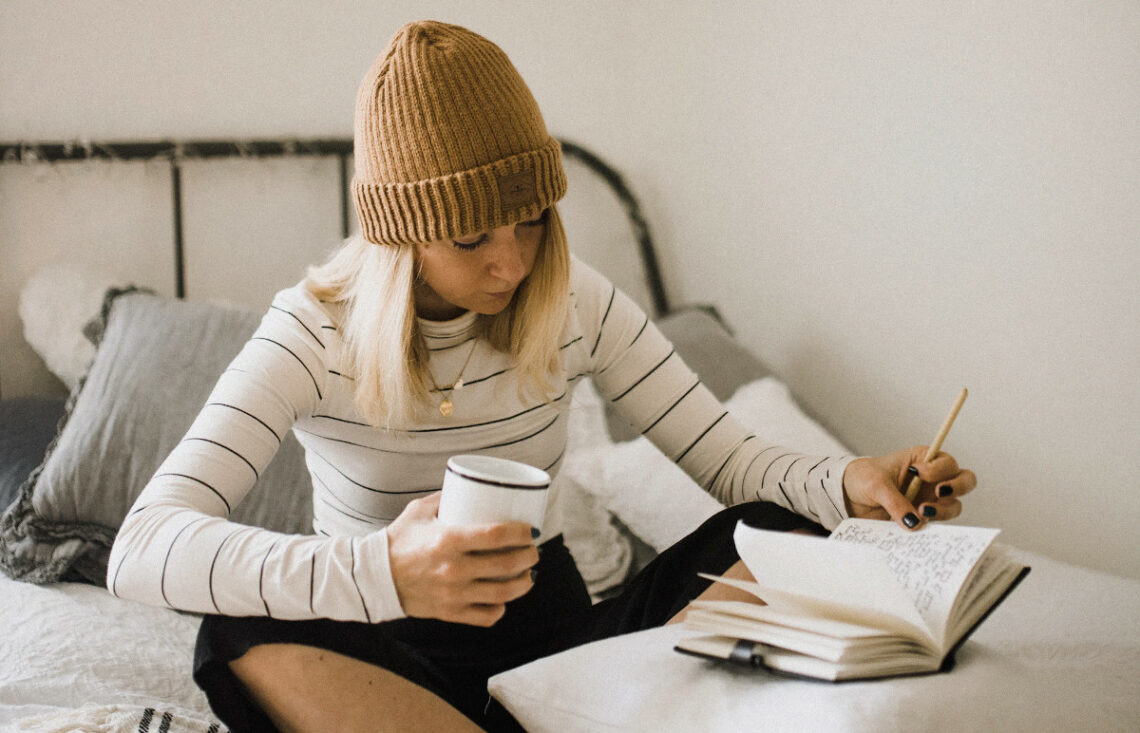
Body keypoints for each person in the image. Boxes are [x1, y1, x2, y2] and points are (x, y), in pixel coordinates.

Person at [107, 20, 976, 733]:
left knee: (780, 528)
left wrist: (848, 481)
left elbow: (735, 462)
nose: (512, 263)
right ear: (400, 238)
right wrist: (382, 569)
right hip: (387, 661)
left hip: (564, 659)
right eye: (472, 237)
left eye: (529, 222)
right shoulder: (312, 332)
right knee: (234, 629)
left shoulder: (572, 301)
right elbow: (142, 547)